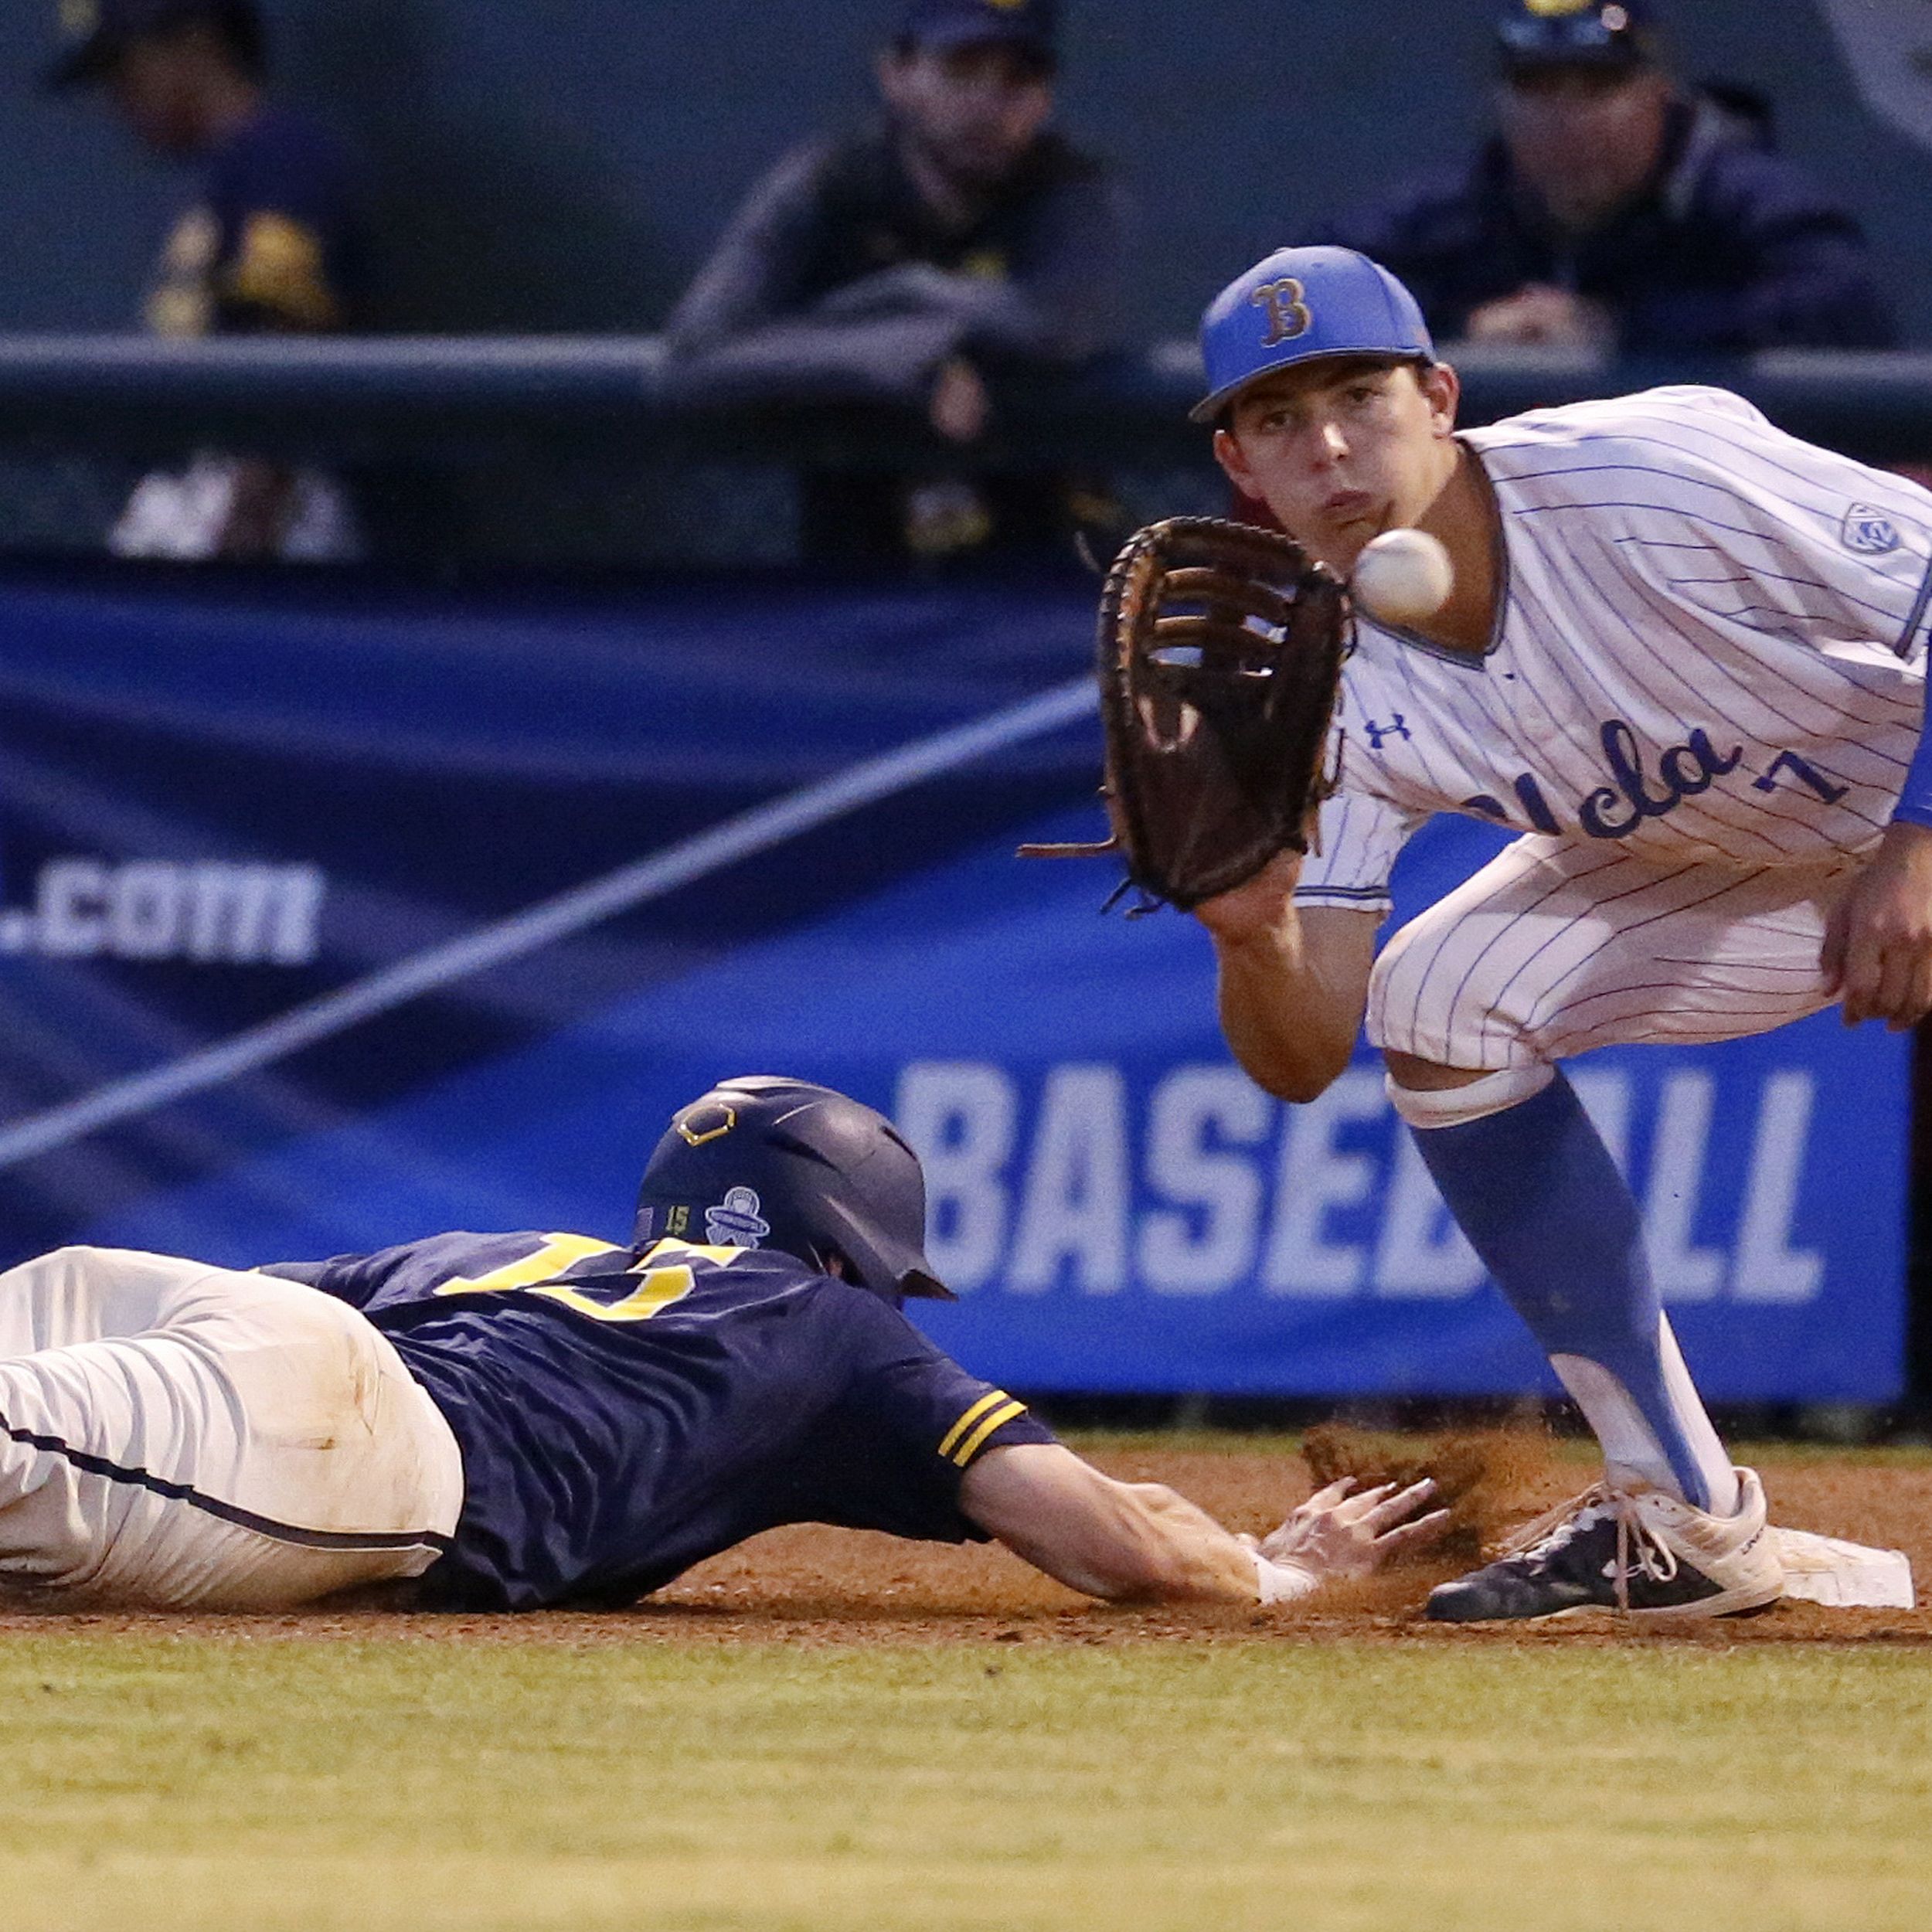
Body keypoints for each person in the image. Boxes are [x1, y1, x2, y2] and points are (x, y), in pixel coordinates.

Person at [1183, 242, 1932, 1622]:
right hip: (1759, 866)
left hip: (1910, 804)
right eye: (1283, 421)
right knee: (1441, 998)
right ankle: (1683, 1517)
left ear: (1441, 396)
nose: (1332, 448)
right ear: (1241, 467)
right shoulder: (1324, 683)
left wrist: (1917, 844)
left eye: (1360, 397)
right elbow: (1305, 1055)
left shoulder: (1642, 468)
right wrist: (1246, 929)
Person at [0, 1077, 1440, 1613]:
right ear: (846, 1248)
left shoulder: (515, 1252)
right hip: (361, 1446)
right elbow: (1111, 1542)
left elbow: (234, 1309)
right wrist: (1278, 1570)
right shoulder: (830, 1331)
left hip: (231, 1314)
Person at [664, 0, 1128, 564]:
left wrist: (898, 299)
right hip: (858, 575)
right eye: (961, 69)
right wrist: (902, 363)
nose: (987, 102)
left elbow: (1057, 322)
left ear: (1046, 97)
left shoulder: (1068, 190)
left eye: (1018, 78)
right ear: (897, 75)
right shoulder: (828, 185)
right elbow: (696, 355)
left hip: (1041, 576)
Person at [1321, 0, 1893, 355]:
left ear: (1658, 92)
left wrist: (1620, 329)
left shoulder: (1738, 197)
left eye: (1598, 87)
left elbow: (1843, 306)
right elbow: (1314, 290)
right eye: (1536, 87)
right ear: (1499, 102)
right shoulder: (1464, 204)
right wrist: (1455, 328)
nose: (1567, 118)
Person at [47, 0, 367, 560]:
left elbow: (286, 352)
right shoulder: (224, 172)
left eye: (125, 67)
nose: (118, 98)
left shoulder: (278, 154)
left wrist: (246, 531)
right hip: (206, 501)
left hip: (255, 510)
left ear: (196, 41)